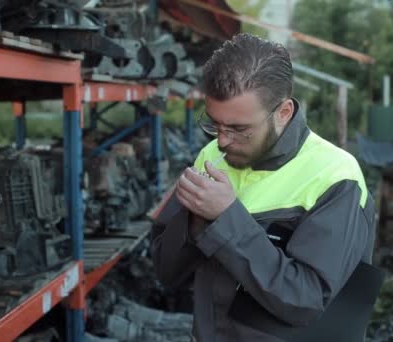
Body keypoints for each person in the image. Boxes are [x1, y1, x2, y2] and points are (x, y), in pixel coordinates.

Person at [151, 33, 380, 342]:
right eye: (214, 124)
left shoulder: (336, 176)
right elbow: (167, 272)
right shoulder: (212, 157)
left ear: (283, 113)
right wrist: (192, 224)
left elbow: (305, 302)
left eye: (239, 129)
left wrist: (225, 218)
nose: (222, 140)